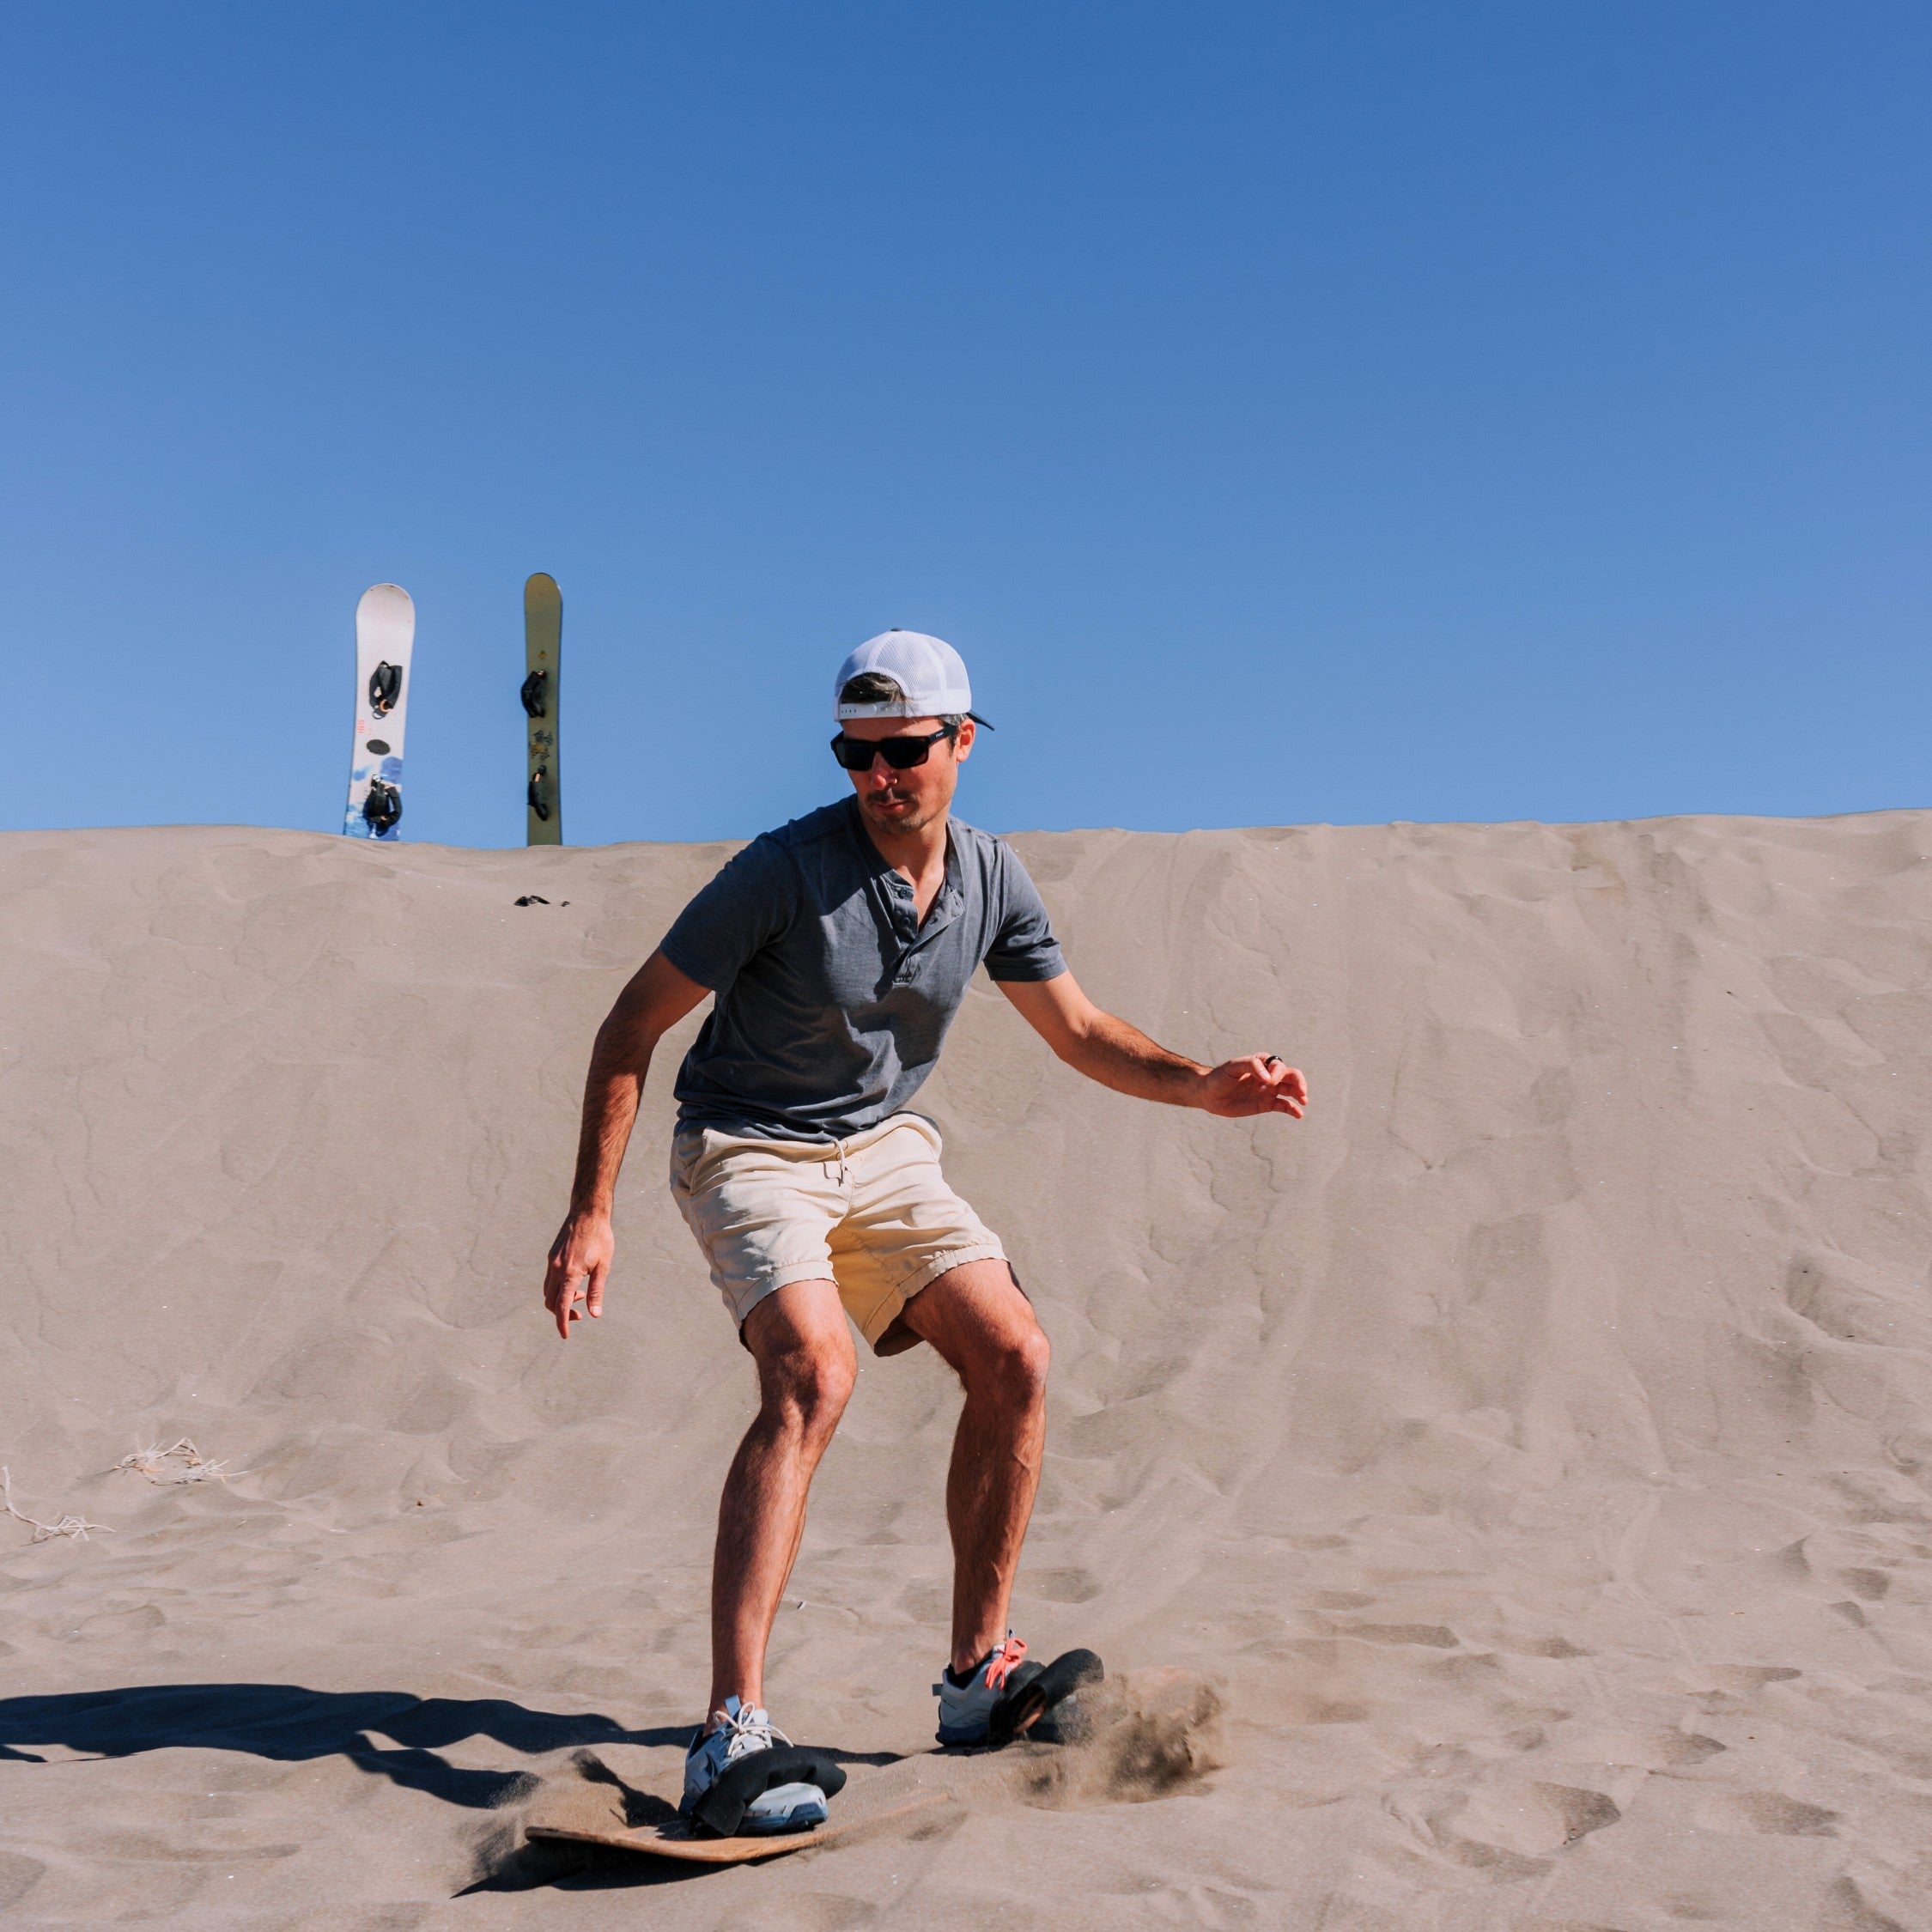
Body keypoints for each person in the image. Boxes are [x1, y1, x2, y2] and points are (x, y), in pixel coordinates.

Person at [541, 629, 1308, 1834]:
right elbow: (629, 1024)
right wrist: (590, 1210)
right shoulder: (782, 872)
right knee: (813, 1373)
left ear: (961, 741)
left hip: (883, 1146)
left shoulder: (992, 879)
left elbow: (1080, 1029)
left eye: (901, 751)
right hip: (746, 1139)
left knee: (1016, 1353)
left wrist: (1202, 1082)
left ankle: (975, 1675)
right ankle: (730, 1727)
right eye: (854, 752)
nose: (876, 775)